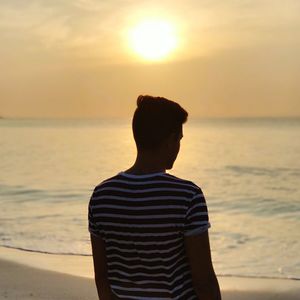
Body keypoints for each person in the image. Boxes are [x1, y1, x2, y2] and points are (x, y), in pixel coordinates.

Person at [88, 95, 221, 300]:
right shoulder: (188, 196)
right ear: (170, 141)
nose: (179, 147)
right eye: (179, 139)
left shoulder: (102, 195)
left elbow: (102, 279)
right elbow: (204, 282)